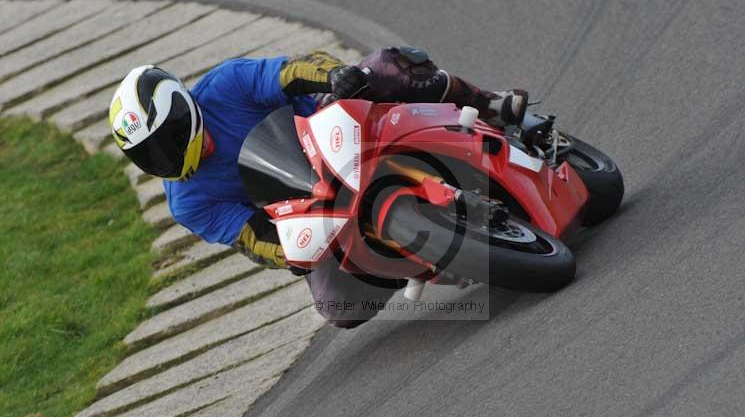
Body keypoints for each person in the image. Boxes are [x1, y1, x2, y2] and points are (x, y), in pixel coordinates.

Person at [109, 46, 528, 328]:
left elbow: (292, 72)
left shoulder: (226, 84)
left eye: (168, 138)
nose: (165, 157)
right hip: (315, 205)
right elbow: (251, 237)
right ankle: (414, 257)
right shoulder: (187, 202)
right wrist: (288, 252)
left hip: (337, 132)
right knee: (337, 306)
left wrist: (335, 76)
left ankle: (491, 103)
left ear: (183, 107)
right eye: (151, 154)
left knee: (385, 67)